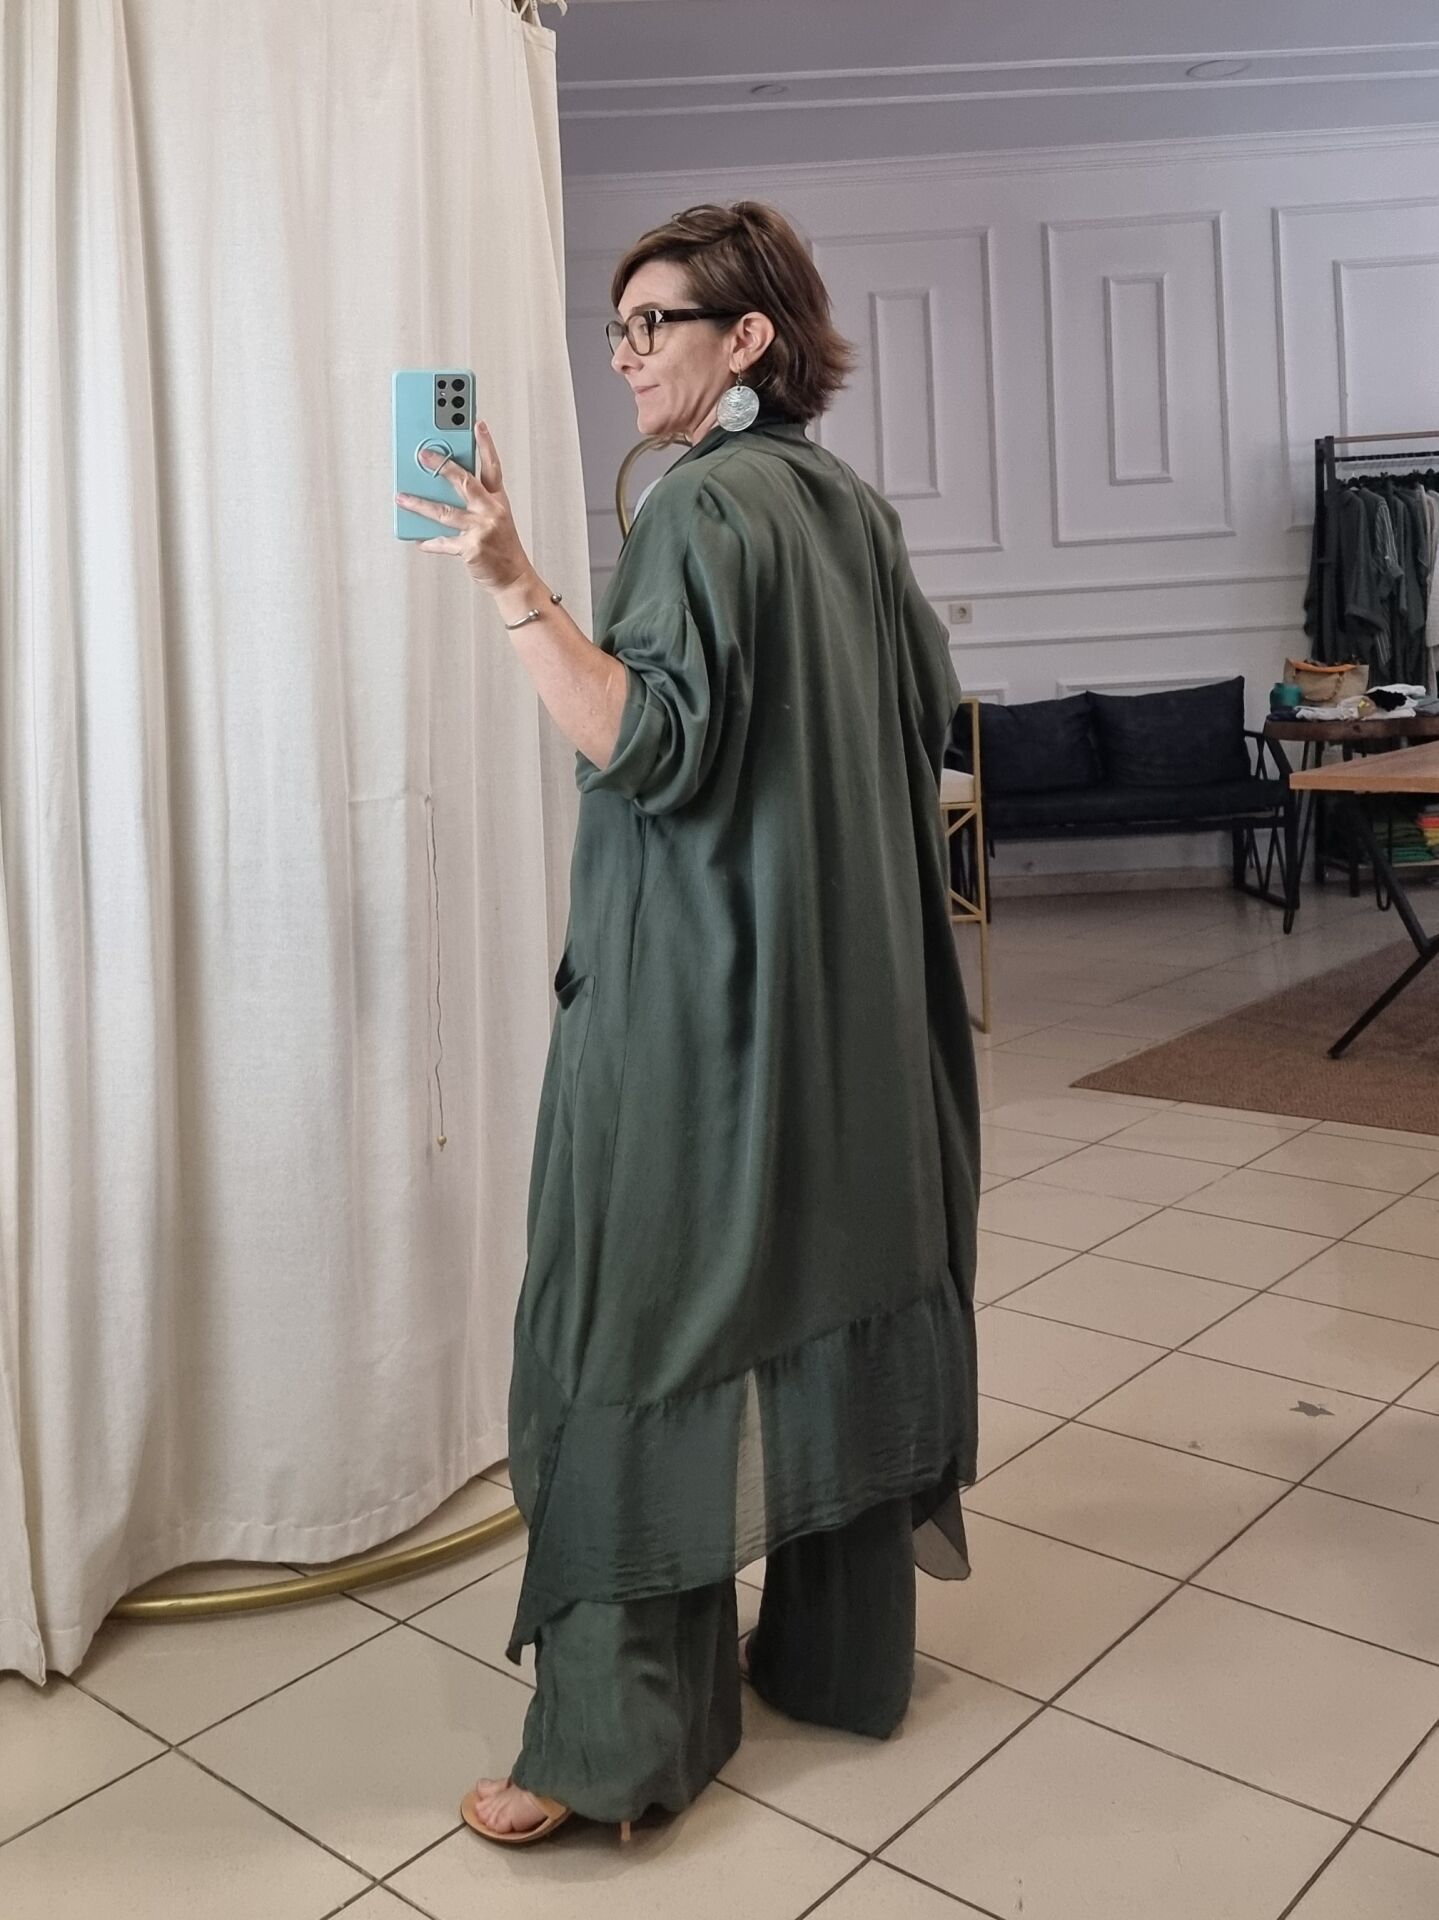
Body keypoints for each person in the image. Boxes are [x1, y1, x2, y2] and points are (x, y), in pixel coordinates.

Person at [396, 200, 980, 1847]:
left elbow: (639, 741)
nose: (625, 354)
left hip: (702, 1011)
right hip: (853, 1014)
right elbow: (924, 718)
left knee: (628, 1332)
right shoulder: (850, 508)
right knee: (828, 1290)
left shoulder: (700, 505)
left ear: (750, 340)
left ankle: (618, 1743)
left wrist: (512, 581)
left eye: (654, 323)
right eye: (620, 327)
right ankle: (837, 1661)